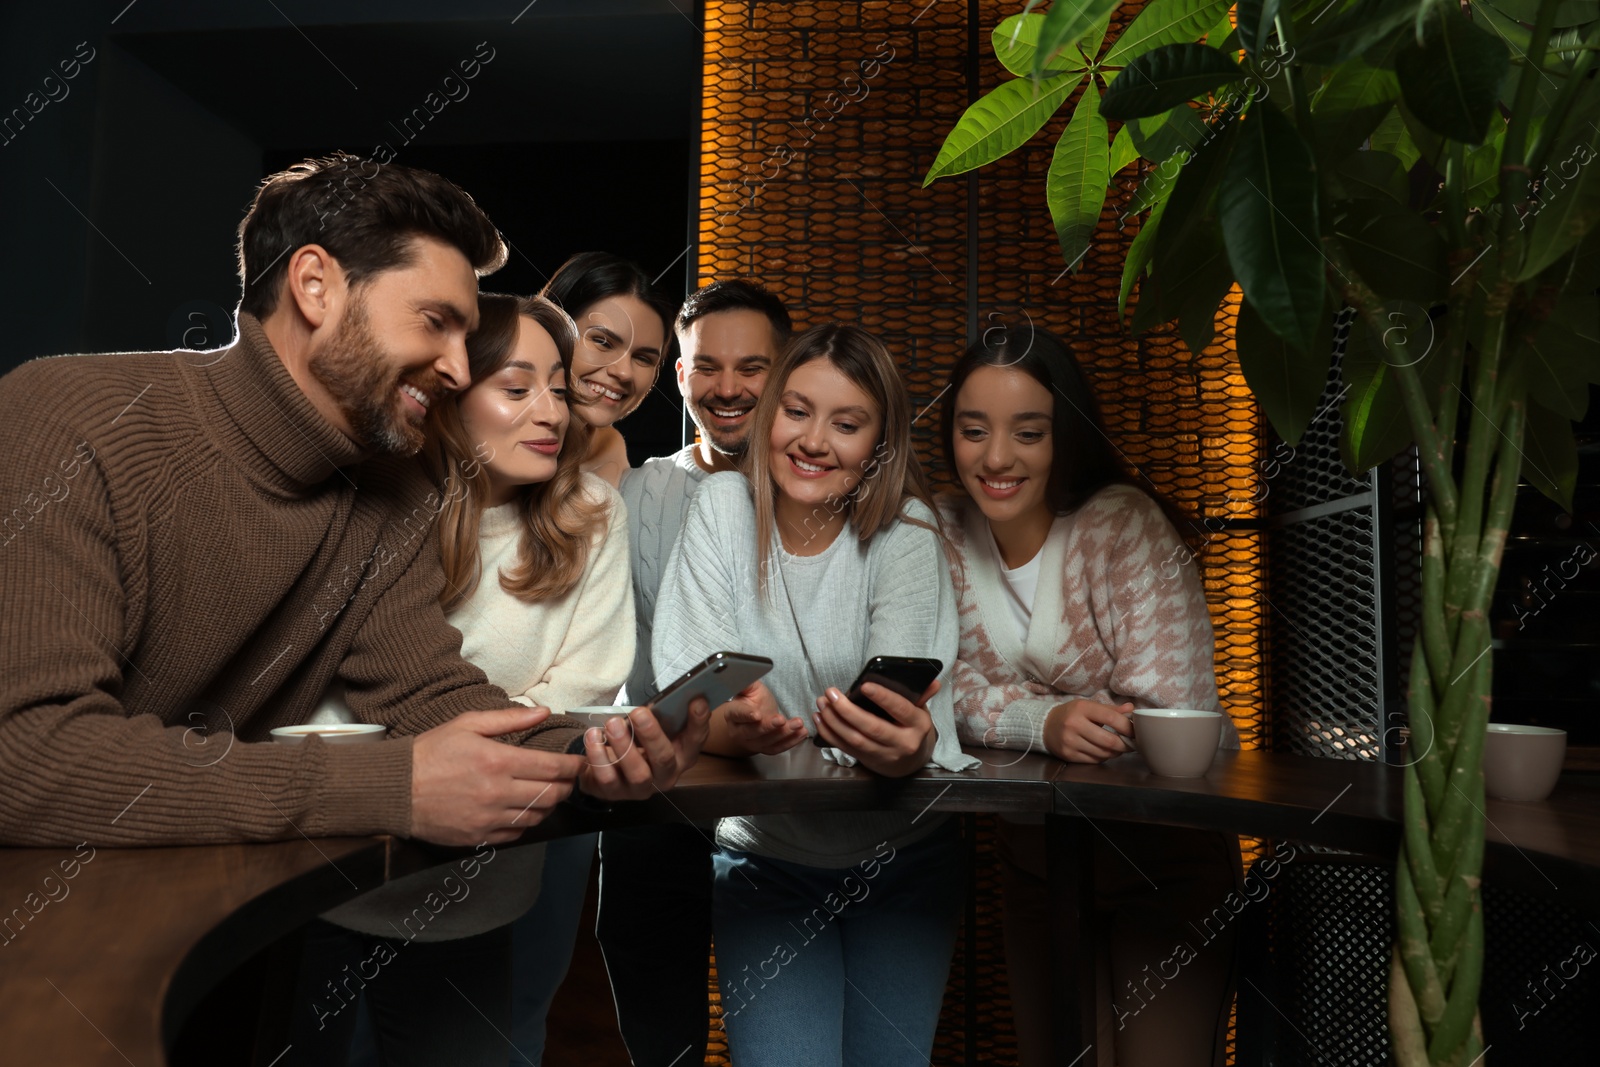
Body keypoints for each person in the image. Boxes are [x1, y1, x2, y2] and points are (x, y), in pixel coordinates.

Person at [0, 152, 701, 849]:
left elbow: (424, 694)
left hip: (222, 917)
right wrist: (387, 787)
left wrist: (598, 753)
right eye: (435, 321)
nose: (459, 368)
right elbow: (25, 756)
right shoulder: (67, 420)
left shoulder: (389, 487)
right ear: (315, 285)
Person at [288, 293, 635, 1066]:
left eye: (558, 386)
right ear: (448, 395)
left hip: (481, 891)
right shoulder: (370, 500)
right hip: (328, 878)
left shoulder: (595, 514)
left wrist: (450, 743)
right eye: (517, 388)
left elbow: (581, 690)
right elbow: (319, 695)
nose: (552, 411)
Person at [652, 323, 978, 1067]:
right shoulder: (723, 510)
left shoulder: (908, 530)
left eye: (848, 422)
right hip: (767, 860)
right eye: (798, 410)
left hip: (905, 859)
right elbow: (690, 702)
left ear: (879, 445)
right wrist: (744, 726)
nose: (815, 440)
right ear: (770, 415)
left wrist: (907, 746)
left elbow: (903, 718)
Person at [937, 323, 1241, 1067]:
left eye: (1028, 432)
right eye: (973, 430)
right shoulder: (939, 529)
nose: (997, 457)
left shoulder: (1122, 523)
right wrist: (1048, 718)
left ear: (1064, 435)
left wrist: (998, 708)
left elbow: (1164, 716)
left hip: (1164, 861)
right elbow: (932, 696)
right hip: (1038, 863)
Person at [598, 278, 792, 1067]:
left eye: (753, 367)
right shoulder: (639, 490)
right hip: (660, 801)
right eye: (705, 366)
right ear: (679, 377)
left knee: (779, 1033)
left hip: (785, 806)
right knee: (659, 1040)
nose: (728, 387)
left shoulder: (822, 489)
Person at [540, 251, 676, 487]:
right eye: (603, 342)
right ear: (552, 329)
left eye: (643, 358)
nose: (624, 372)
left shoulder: (610, 451)